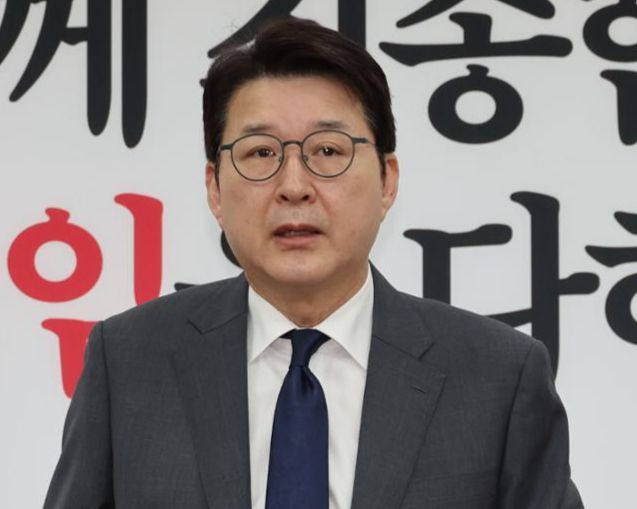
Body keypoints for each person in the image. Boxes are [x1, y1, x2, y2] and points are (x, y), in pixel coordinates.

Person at [44, 17, 584, 509]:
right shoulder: (130, 361)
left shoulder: (497, 376)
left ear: (387, 181)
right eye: (261, 153)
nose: (294, 186)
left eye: (328, 151)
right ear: (214, 189)